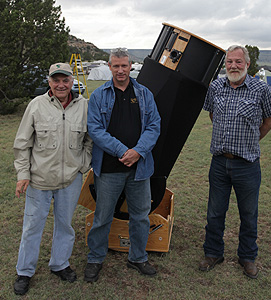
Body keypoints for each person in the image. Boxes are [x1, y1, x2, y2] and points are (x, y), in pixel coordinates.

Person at [199, 45, 271, 279]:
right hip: (219, 163)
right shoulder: (216, 86)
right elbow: (213, 115)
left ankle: (247, 257)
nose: (233, 66)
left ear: (247, 64)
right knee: (214, 212)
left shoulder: (261, 89)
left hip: (247, 165)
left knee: (248, 214)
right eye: (229, 62)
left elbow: (269, 122)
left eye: (238, 62)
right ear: (225, 65)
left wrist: (251, 141)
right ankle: (213, 253)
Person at [13, 63, 92, 295]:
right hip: (39, 180)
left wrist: (83, 164)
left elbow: (90, 139)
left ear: (71, 81)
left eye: (65, 80)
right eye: (55, 80)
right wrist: (23, 174)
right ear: (49, 82)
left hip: (70, 179)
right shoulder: (36, 106)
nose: (60, 85)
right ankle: (24, 272)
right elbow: (22, 143)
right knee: (32, 227)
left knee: (65, 226)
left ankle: (60, 264)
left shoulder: (84, 106)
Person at [84, 48, 161, 282]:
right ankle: (95, 258)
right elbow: (95, 129)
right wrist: (122, 151)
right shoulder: (99, 96)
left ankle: (138, 257)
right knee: (103, 216)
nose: (120, 70)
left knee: (140, 216)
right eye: (115, 66)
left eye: (124, 66)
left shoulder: (145, 94)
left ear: (131, 66)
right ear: (109, 67)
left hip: (139, 167)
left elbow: (154, 125)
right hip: (109, 169)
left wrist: (137, 151)